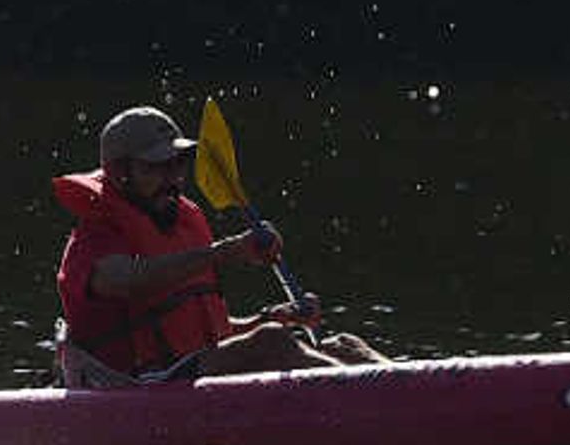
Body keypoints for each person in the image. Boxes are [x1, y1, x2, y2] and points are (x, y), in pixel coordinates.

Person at [52, 105, 384, 383]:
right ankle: (381, 400)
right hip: (134, 383)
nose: (173, 178)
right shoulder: (95, 235)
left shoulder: (184, 220)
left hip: (187, 370)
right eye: (156, 166)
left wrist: (271, 317)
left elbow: (208, 330)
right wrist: (227, 253)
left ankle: (416, 387)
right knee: (269, 343)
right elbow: (126, 280)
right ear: (120, 172)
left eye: (178, 164)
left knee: (343, 345)